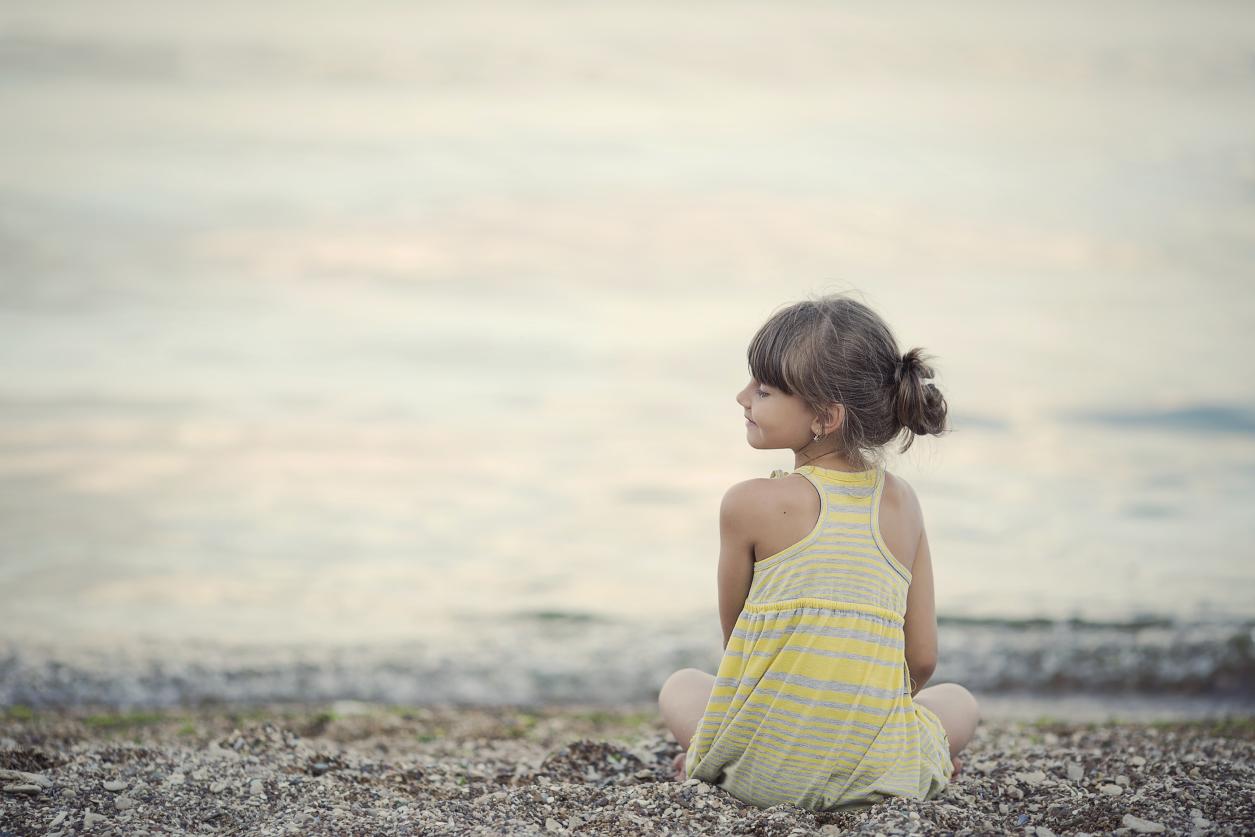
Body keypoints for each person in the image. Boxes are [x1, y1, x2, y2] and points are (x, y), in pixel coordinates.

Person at [657, 292, 980, 811]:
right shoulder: (904, 505)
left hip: (759, 777)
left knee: (682, 685)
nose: (742, 397)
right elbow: (921, 660)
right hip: (876, 779)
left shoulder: (747, 504)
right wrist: (857, 720)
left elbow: (738, 645)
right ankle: (914, 760)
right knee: (959, 703)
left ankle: (715, 756)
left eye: (762, 389)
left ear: (825, 417)